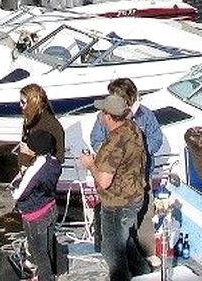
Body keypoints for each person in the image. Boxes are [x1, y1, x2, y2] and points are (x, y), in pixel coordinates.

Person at [77, 93, 147, 281]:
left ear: (108, 116)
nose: (100, 115)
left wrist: (90, 164)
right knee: (127, 241)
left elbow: (104, 181)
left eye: (102, 112)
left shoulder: (114, 143)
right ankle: (145, 274)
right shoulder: (133, 129)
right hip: (135, 196)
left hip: (117, 204)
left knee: (113, 252)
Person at [12, 130, 62, 281]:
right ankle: (51, 273)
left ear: (35, 149)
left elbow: (19, 194)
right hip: (50, 208)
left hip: (36, 216)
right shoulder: (54, 162)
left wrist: (16, 183)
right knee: (47, 247)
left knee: (39, 252)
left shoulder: (36, 168)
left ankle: (46, 278)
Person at [20, 83, 66, 162]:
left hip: (41, 170)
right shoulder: (31, 118)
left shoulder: (51, 125)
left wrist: (31, 154)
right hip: (28, 167)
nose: (20, 105)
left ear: (33, 103)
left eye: (23, 102)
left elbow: (59, 158)